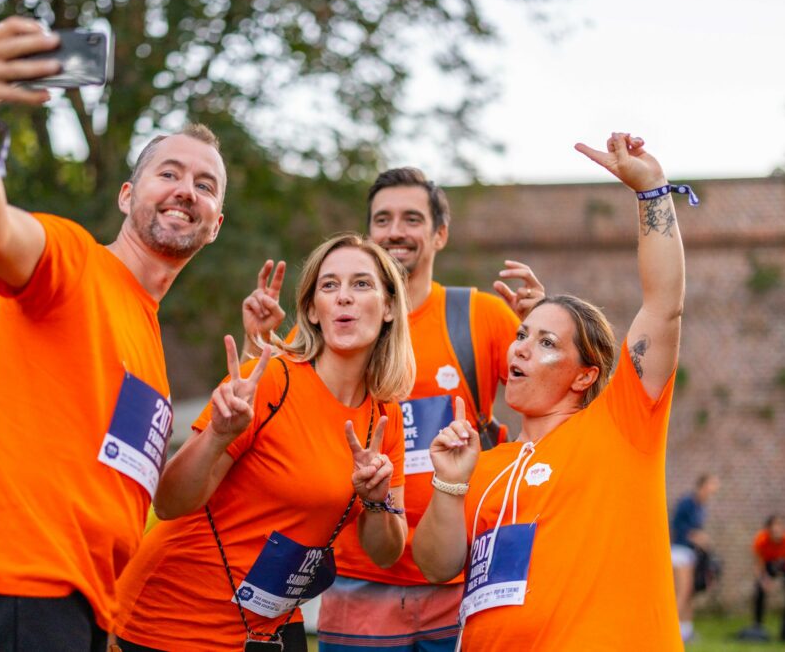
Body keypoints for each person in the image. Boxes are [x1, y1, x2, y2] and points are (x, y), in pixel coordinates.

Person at [0, 17, 229, 651]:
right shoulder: (73, 260)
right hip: (11, 582)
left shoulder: (148, 340)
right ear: (126, 194)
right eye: (168, 173)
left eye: (205, 185)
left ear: (215, 224)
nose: (186, 191)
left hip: (79, 607)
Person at [241, 168, 544, 651]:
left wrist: (542, 328)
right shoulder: (333, 325)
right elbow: (263, 412)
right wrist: (257, 344)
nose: (396, 231)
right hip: (357, 582)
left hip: (460, 581)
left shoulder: (480, 316)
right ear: (368, 235)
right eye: (382, 219)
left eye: (412, 218)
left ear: (439, 233)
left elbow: (554, 402)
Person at [412, 133, 690, 650]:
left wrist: (652, 191)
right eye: (521, 335)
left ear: (586, 375)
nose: (519, 348)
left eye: (545, 343)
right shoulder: (485, 463)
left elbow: (663, 305)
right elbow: (436, 566)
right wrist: (449, 486)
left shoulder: (621, 424)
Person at [113, 233, 415, 652]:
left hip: (269, 628)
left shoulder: (386, 416)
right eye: (329, 285)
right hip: (171, 619)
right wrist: (219, 435)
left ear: (388, 307)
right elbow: (167, 502)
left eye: (361, 284)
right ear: (312, 310)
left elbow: (385, 552)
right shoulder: (271, 378)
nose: (344, 297)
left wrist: (377, 500)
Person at [670, 473, 720, 642]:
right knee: (682, 592)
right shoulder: (687, 502)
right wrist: (697, 537)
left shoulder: (701, 506)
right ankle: (669, 628)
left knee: (689, 592)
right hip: (679, 551)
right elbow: (678, 527)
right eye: (711, 485)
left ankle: (686, 630)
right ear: (702, 485)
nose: (714, 489)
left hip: (690, 553)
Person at [740, 515, 785, 640]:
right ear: (768, 529)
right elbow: (757, 563)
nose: (777, 530)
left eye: (780, 527)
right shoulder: (761, 539)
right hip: (769, 565)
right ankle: (758, 625)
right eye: (774, 527)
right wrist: (763, 580)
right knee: (759, 590)